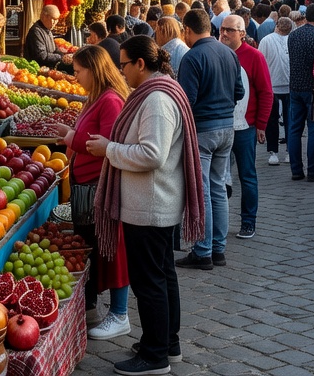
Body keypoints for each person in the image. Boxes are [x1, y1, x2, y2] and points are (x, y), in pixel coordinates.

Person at [87, 36, 205, 375]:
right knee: (162, 276)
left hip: (151, 205)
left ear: (141, 64)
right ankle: (167, 343)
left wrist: (110, 148)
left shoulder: (155, 100)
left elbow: (153, 154)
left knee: (150, 281)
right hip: (154, 202)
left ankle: (155, 356)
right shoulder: (160, 91)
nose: (121, 71)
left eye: (124, 64)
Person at [52, 45, 132, 340]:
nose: (75, 77)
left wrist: (73, 136)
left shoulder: (109, 100)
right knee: (95, 249)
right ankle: (93, 307)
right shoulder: (96, 97)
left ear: (93, 70)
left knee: (111, 249)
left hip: (101, 188)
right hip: (87, 187)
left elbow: (108, 144)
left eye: (77, 71)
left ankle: (120, 313)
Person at [174, 9, 244, 270]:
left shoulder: (193, 57)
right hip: (226, 128)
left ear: (188, 30)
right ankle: (218, 249)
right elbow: (239, 90)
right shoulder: (229, 53)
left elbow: (186, 101)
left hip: (204, 129)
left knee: (203, 189)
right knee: (217, 187)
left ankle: (203, 251)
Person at [219, 15, 272, 240]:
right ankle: (219, 222)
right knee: (218, 177)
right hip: (218, 126)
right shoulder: (217, 54)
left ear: (242, 32)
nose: (224, 34)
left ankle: (248, 221)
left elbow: (266, 92)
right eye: (222, 29)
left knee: (247, 175)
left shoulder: (254, 57)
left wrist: (261, 125)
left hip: (245, 127)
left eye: (229, 30)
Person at [287, 3, 314, 183]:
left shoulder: (293, 35)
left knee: (294, 129)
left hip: (295, 87)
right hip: (312, 89)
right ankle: (313, 169)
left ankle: (296, 169)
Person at [258, 16, 292, 166]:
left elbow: (261, 61)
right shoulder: (288, 39)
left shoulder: (266, 40)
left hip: (273, 85)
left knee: (273, 120)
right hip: (282, 86)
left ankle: (274, 152)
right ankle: (288, 152)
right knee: (289, 120)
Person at [24, 5, 73, 70]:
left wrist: (63, 55)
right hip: (38, 71)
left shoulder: (47, 29)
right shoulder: (36, 31)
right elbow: (42, 56)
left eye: (57, 19)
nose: (55, 23)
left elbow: (55, 48)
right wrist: (60, 57)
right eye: (53, 19)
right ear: (44, 16)